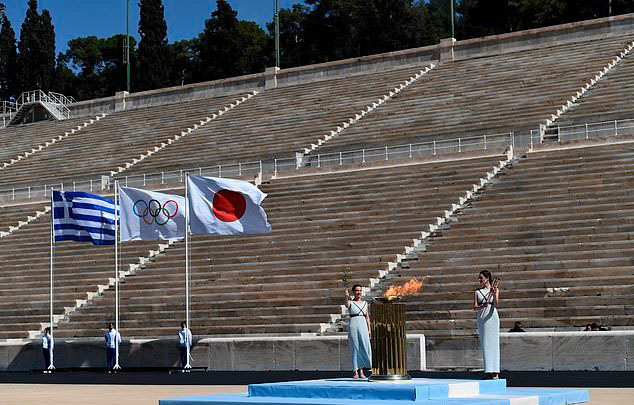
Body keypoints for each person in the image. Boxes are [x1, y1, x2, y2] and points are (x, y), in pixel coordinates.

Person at [474, 270, 500, 379]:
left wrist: (494, 293)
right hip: (482, 318)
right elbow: (474, 307)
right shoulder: (477, 292)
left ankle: (495, 371)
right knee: (485, 344)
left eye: (481, 278)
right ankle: (488, 370)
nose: (480, 280)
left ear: (487, 278)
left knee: (494, 344)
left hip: (492, 317)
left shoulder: (495, 289)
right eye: (479, 278)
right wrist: (482, 306)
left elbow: (497, 303)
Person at [345, 284, 372, 379]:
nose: (358, 292)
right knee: (355, 348)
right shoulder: (350, 302)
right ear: (353, 292)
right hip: (354, 326)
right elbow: (347, 304)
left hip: (363, 326)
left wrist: (369, 329)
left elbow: (367, 317)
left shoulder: (365, 303)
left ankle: (363, 369)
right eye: (356, 290)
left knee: (364, 346)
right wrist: (346, 296)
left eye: (360, 290)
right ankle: (356, 371)